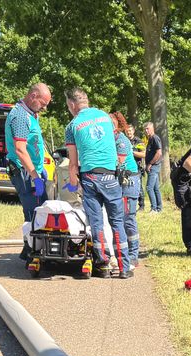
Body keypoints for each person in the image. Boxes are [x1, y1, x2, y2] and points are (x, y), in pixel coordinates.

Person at [64, 87, 131, 279]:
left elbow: (73, 162)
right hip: (110, 176)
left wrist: (73, 181)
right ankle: (124, 268)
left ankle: (103, 265)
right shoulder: (105, 117)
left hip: (90, 177)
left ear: (72, 104)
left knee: (96, 223)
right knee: (117, 222)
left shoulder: (72, 126)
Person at [5, 83, 52, 260]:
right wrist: (35, 176)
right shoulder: (20, 116)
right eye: (43, 103)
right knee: (34, 212)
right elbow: (20, 149)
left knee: (40, 211)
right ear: (33, 96)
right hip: (25, 172)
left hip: (33, 170)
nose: (44, 108)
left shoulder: (30, 114)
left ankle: (32, 249)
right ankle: (32, 253)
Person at [110, 112, 141, 271]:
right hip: (119, 182)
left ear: (117, 124)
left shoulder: (121, 140)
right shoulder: (110, 139)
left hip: (129, 182)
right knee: (117, 219)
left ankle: (133, 256)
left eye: (111, 123)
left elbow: (119, 163)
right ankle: (120, 255)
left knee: (128, 219)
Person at [143, 122, 163, 213]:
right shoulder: (150, 139)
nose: (146, 130)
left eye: (148, 128)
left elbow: (159, 153)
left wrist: (150, 164)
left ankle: (154, 208)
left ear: (152, 128)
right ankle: (159, 208)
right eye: (145, 129)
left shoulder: (155, 138)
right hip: (152, 166)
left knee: (149, 187)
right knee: (155, 188)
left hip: (154, 166)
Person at [131, 127, 146, 211]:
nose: (129, 132)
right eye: (127, 131)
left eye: (130, 130)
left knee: (138, 186)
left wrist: (132, 152)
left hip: (137, 167)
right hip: (127, 167)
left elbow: (144, 154)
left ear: (133, 131)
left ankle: (141, 205)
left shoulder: (138, 141)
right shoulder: (125, 140)